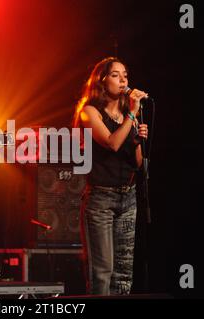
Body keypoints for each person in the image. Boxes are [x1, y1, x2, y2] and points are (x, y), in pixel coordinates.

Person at [73, 57, 148, 295]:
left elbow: (137, 163)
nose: (123, 79)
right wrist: (132, 118)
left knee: (123, 274)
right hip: (101, 200)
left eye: (125, 74)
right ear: (102, 80)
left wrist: (137, 140)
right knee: (102, 272)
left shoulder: (129, 114)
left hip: (129, 197)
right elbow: (112, 143)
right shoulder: (89, 112)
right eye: (116, 74)